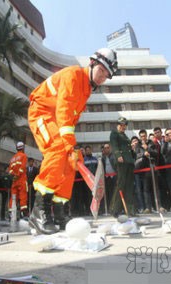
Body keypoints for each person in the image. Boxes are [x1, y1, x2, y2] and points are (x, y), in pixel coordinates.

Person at [28, 48, 117, 234]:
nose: (102, 77)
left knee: (71, 162)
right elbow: (64, 111)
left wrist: (73, 150)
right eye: (101, 71)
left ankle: (60, 212)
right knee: (59, 149)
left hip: (56, 120)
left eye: (106, 76)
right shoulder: (74, 75)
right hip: (41, 114)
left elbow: (70, 119)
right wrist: (69, 144)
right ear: (91, 64)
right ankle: (39, 210)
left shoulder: (86, 89)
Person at [109, 117, 136, 217]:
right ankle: (114, 209)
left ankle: (130, 210)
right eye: (121, 124)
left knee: (129, 186)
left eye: (124, 125)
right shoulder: (114, 133)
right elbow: (114, 145)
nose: (123, 127)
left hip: (129, 161)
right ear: (117, 125)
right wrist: (118, 155)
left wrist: (132, 147)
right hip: (121, 161)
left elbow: (128, 149)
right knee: (121, 184)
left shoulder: (125, 135)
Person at [8, 142, 28, 218]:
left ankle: (11, 213)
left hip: (14, 180)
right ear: (23, 148)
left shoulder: (13, 158)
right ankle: (23, 213)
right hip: (21, 179)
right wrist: (18, 175)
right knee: (23, 196)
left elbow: (10, 170)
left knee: (13, 196)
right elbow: (22, 167)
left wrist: (14, 175)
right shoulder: (24, 156)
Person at [101, 143, 116, 214]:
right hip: (107, 178)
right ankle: (110, 209)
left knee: (114, 193)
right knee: (108, 194)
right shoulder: (102, 158)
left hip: (114, 177)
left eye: (107, 147)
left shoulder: (114, 156)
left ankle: (116, 208)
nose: (106, 149)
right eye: (105, 148)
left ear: (110, 148)